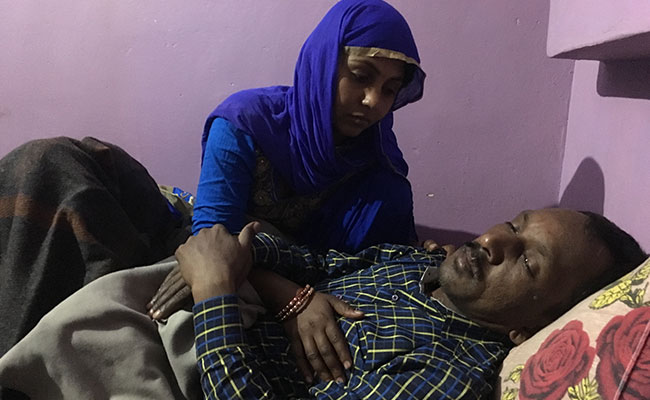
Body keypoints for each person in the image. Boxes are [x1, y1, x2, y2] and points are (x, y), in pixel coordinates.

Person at [176, 208, 646, 399]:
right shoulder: (420, 263)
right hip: (216, 300)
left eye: (527, 262)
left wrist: (215, 290)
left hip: (193, 369)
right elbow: (316, 261)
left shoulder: (449, 378)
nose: (491, 240)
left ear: (533, 330)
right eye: (513, 224)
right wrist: (246, 260)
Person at [193, 0, 426, 253]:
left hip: (325, 272)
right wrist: (294, 286)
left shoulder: (373, 152)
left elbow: (390, 246)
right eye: (361, 76)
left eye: (390, 89)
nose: (373, 101)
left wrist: (422, 253)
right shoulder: (245, 123)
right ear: (323, 66)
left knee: (391, 192)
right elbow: (212, 242)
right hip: (242, 268)